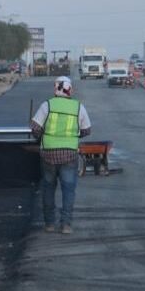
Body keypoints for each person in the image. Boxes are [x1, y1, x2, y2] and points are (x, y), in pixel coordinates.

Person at [30, 76, 91, 234]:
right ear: (70, 89)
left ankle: (50, 224)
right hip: (69, 155)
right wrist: (72, 137)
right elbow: (86, 130)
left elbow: (35, 128)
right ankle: (66, 225)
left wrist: (42, 137)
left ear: (55, 88)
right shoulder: (78, 107)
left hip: (48, 154)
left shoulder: (47, 105)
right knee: (68, 190)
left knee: (48, 188)